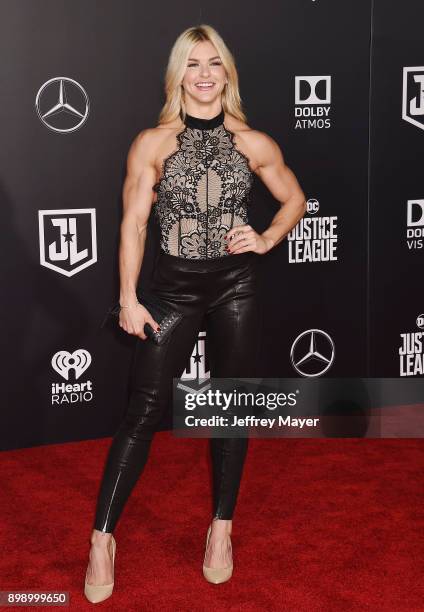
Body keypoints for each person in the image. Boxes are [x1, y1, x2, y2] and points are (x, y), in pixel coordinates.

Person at [84, 24, 306, 603]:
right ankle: (102, 539)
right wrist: (129, 300)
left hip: (235, 285)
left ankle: (221, 529)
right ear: (177, 74)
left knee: (231, 406)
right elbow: (133, 224)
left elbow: (295, 199)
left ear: (226, 73)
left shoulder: (251, 141)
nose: (204, 74)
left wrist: (265, 237)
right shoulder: (153, 142)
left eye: (214, 63)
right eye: (192, 64)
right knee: (144, 410)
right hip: (172, 289)